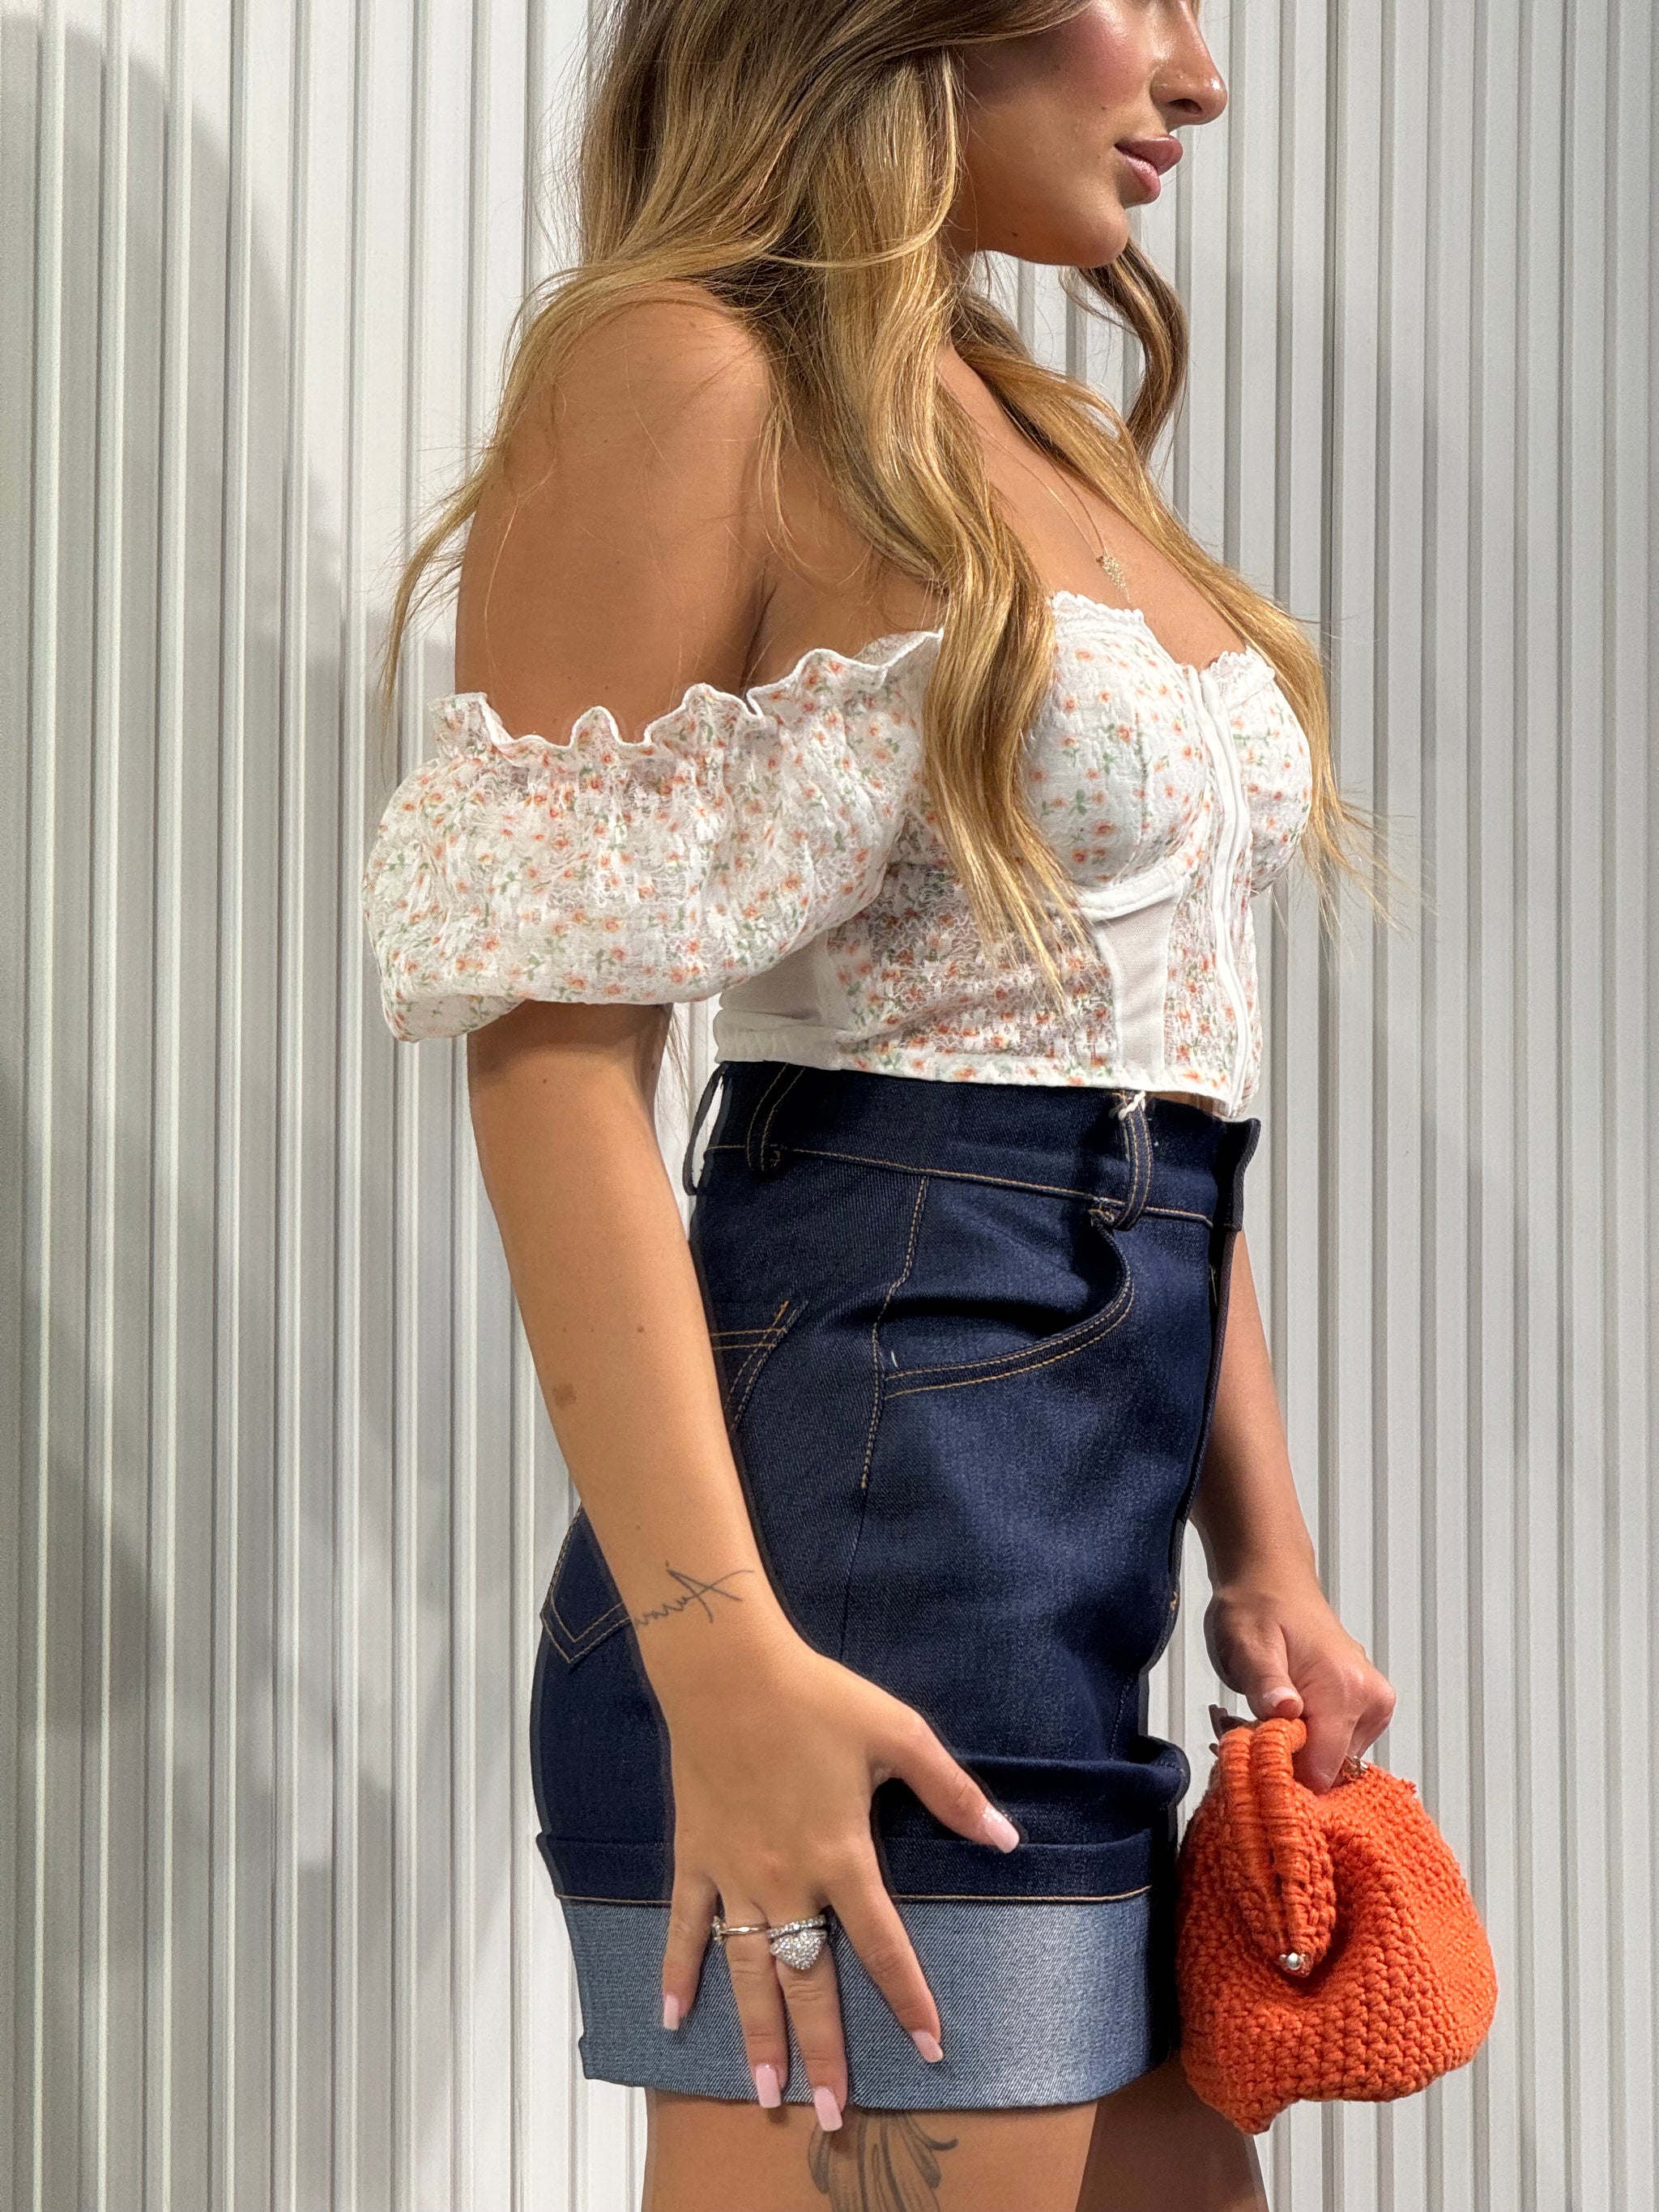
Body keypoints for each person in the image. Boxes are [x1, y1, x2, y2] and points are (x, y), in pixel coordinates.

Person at [362, 3, 1397, 2205]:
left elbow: (1141, 1059)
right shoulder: (684, 370)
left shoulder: (1021, 416)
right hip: (854, 1544)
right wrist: (723, 1668)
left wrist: (1268, 1557)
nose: (1199, 75)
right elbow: (552, 1061)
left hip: (1075, 1548)